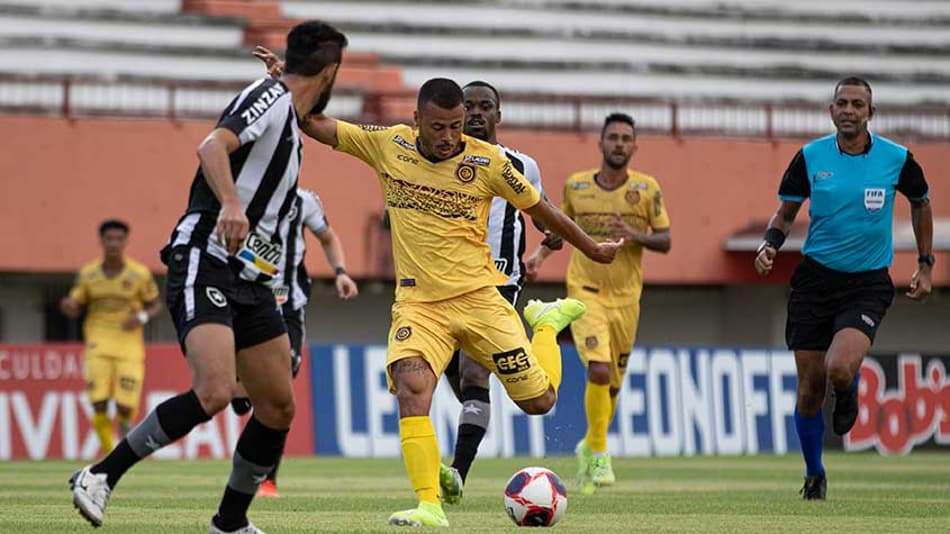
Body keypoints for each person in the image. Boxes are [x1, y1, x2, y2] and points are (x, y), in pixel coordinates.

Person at [298, 77, 621, 527]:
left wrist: (590, 248)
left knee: (540, 402)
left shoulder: (489, 161)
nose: (450, 137)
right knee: (412, 389)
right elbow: (316, 125)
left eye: (456, 127)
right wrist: (297, 83)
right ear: (416, 121)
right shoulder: (388, 145)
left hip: (480, 301)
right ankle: (429, 504)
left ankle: (544, 325)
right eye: (439, 128)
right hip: (419, 306)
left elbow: (543, 211)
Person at [68, 21, 348, 534]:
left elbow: (304, 115)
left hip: (254, 277)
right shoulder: (268, 95)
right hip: (207, 255)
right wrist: (233, 203)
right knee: (216, 391)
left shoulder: (286, 107)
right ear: (331, 70)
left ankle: (230, 522)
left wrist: (287, 84)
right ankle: (98, 475)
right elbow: (211, 146)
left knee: (277, 405)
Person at [754, 76, 932, 500]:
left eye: (857, 104)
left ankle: (848, 387)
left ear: (871, 112)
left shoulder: (897, 158)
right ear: (831, 110)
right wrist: (769, 244)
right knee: (809, 389)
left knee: (838, 368)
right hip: (815, 280)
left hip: (867, 282)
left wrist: (925, 265)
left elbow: (921, 202)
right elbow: (786, 212)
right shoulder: (810, 157)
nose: (849, 110)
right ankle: (815, 474)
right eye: (841, 103)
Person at [526, 112, 671, 495]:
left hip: (627, 298)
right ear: (601, 143)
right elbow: (561, 230)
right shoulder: (577, 186)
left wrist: (634, 235)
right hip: (585, 291)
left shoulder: (647, 188)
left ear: (634, 146)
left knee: (611, 388)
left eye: (626, 138)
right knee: (600, 370)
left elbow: (666, 240)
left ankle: (590, 445)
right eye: (613, 137)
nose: (619, 144)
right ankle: (601, 453)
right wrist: (539, 258)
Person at [438, 80, 563, 505]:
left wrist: (551, 238)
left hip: (497, 284)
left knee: (474, 372)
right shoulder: (438, 161)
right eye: (468, 106)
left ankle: (456, 474)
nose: (475, 113)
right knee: (459, 381)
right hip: (443, 286)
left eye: (484, 106)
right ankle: (542, 332)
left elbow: (541, 211)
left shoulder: (522, 165)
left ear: (497, 116)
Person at [231, 187, 359, 499]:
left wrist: (340, 271)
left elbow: (327, 236)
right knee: (241, 400)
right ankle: (241, 388)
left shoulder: (306, 201)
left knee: (278, 391)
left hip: (288, 305)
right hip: (247, 299)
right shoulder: (244, 194)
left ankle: (266, 480)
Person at [60, 219, 162, 453]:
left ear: (126, 241)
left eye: (118, 239)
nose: (114, 244)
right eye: (109, 239)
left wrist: (142, 317)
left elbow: (156, 304)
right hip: (98, 344)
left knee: (125, 407)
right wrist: (69, 306)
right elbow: (74, 303)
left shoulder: (139, 274)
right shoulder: (89, 274)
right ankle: (111, 453)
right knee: (99, 402)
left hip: (129, 346)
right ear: (101, 241)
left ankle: (127, 446)